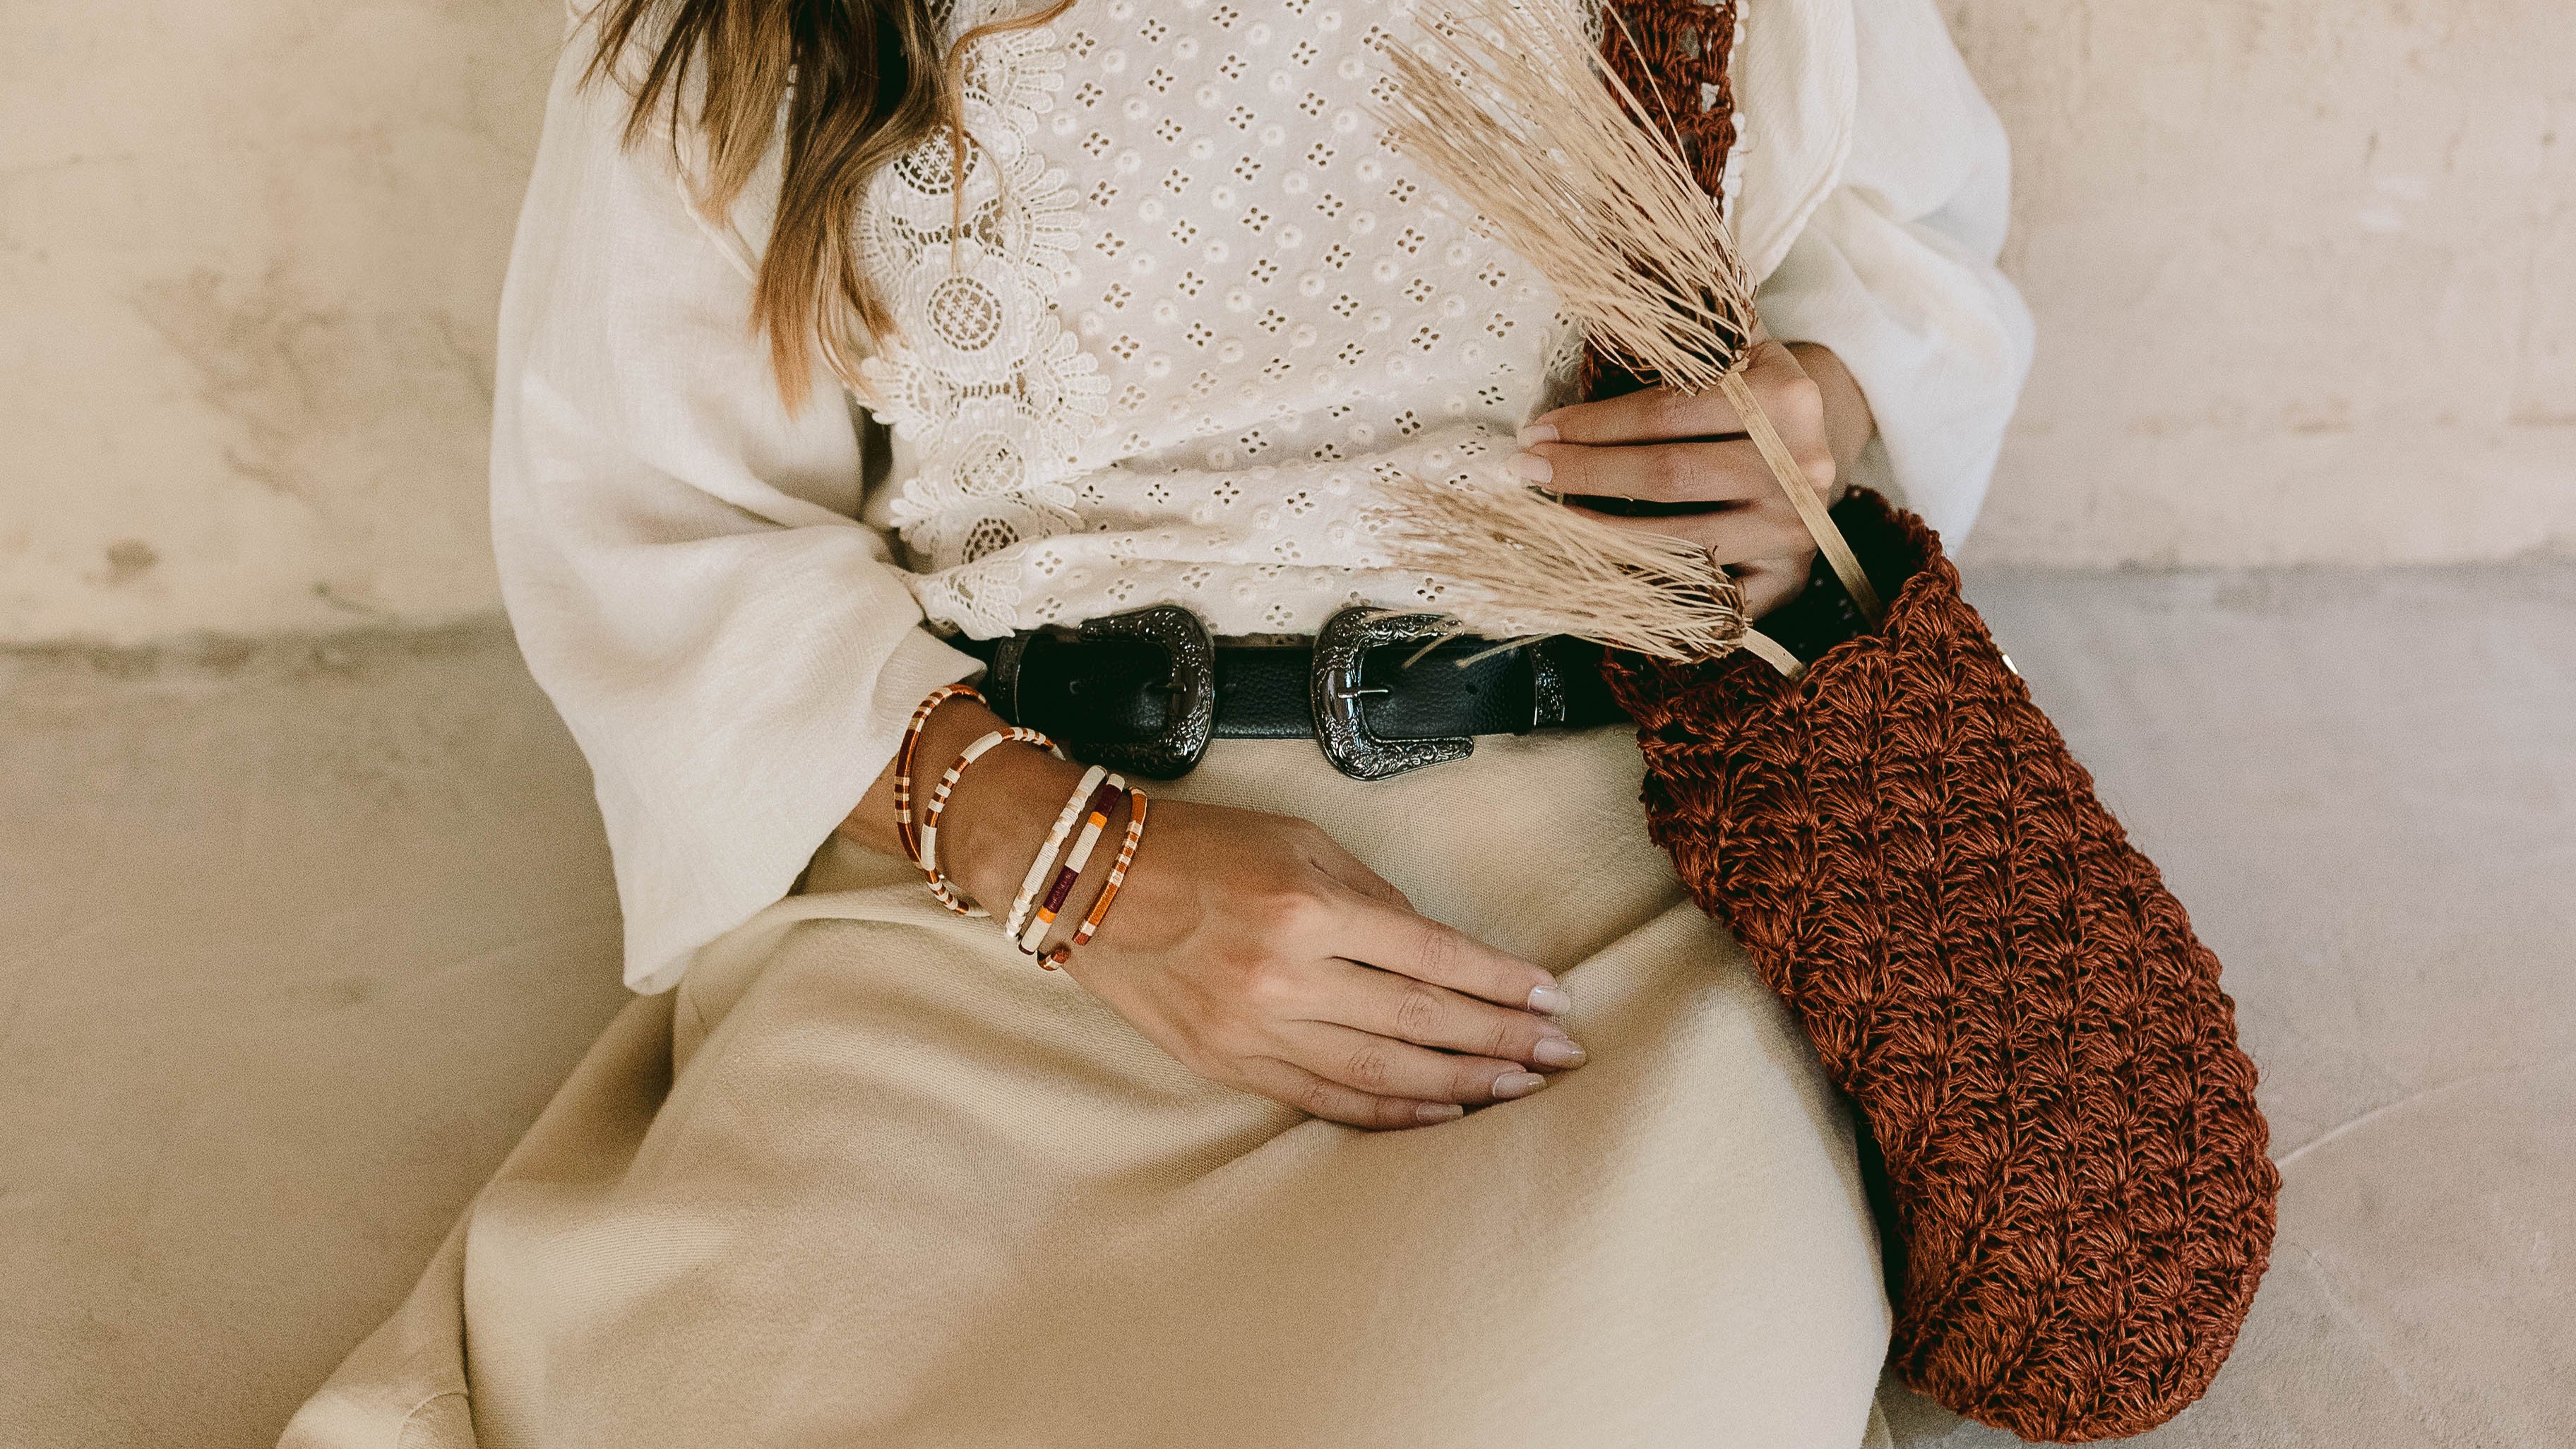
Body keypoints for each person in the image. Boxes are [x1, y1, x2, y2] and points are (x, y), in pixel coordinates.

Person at [284, 0, 2029, 1440]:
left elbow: (1901, 258)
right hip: (1005, 886)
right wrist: (1082, 874)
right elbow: (659, 522)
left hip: (1609, 906)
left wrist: (1806, 420)